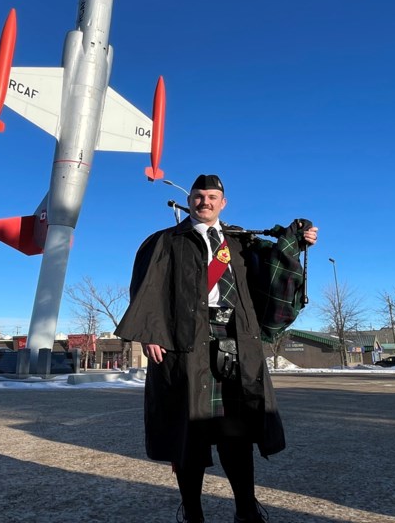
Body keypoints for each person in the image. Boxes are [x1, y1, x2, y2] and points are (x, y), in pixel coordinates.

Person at [115, 174, 318, 523]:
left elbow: (275, 266)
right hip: (182, 344)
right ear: (189, 201)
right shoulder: (164, 241)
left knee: (236, 432)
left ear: (223, 203)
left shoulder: (241, 242)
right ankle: (193, 513)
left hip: (236, 342)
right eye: (198, 196)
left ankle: (246, 510)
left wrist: (299, 241)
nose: (204, 202)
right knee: (188, 434)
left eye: (212, 197)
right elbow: (146, 288)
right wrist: (151, 332)